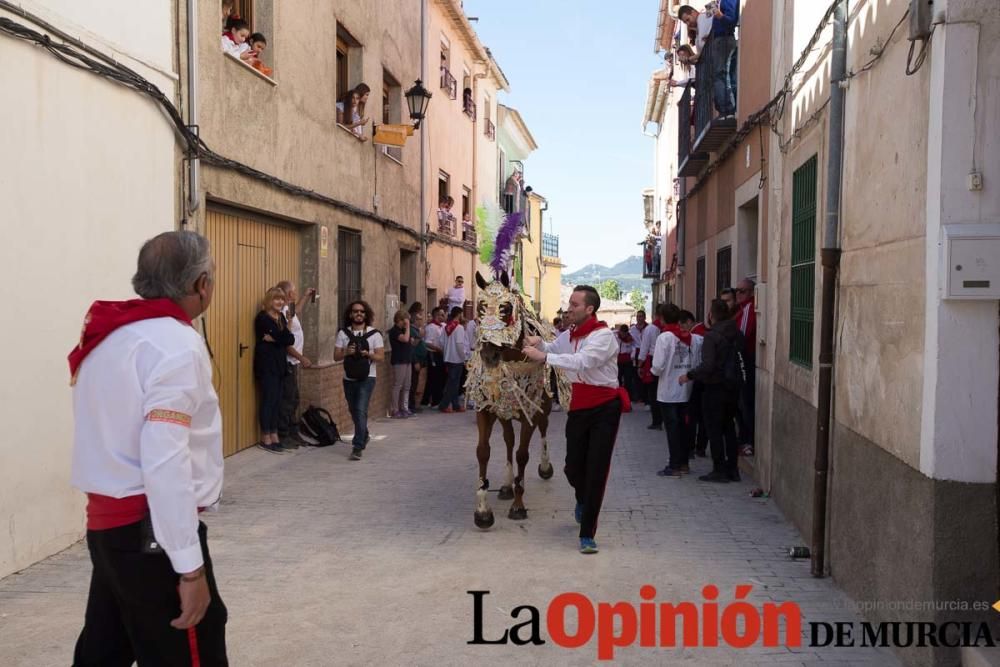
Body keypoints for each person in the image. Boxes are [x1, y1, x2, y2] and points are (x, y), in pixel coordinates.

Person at [70, 231, 227, 664]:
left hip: (109, 529)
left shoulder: (111, 338)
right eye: (211, 276)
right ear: (200, 284)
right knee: (191, 650)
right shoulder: (175, 345)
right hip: (149, 531)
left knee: (105, 649)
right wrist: (189, 567)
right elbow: (166, 460)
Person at [522, 286, 628, 554]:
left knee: (596, 470)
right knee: (572, 467)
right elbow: (553, 346)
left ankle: (587, 534)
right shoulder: (570, 333)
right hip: (579, 405)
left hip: (604, 407)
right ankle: (582, 499)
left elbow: (582, 362)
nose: (569, 308)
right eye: (569, 303)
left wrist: (544, 357)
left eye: (574, 304)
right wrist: (539, 344)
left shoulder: (603, 336)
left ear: (589, 309)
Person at [680, 299, 742, 482]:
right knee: (729, 428)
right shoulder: (737, 333)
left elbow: (708, 365)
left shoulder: (712, 336)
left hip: (715, 387)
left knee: (714, 429)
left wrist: (689, 375)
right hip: (733, 386)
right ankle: (733, 468)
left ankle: (719, 469)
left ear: (711, 314)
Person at [651, 304, 703, 477]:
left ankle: (674, 465)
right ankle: (684, 463)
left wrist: (653, 373)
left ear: (662, 319)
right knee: (684, 428)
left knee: (672, 429)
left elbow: (658, 366)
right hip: (686, 389)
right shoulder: (694, 338)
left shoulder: (665, 338)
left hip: (668, 390)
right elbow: (697, 362)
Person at [334, 300, 384, 460]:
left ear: (366, 314)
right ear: (350, 314)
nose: (359, 314)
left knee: (360, 409)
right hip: (348, 378)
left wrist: (367, 354)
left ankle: (357, 446)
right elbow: (336, 356)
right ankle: (365, 434)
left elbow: (381, 357)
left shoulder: (375, 334)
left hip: (367, 377)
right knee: (353, 410)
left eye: (362, 311)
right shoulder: (343, 333)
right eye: (355, 311)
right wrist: (346, 353)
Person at [254, 287, 295, 454]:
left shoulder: (281, 318)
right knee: (269, 400)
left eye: (282, 299)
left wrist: (276, 338)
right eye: (276, 299)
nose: (280, 302)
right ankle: (266, 436)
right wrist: (280, 337)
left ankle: (275, 434)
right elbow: (283, 338)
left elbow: (289, 339)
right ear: (269, 300)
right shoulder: (263, 318)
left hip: (279, 364)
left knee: (278, 400)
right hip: (267, 364)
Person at [275, 280, 314, 449]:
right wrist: (301, 357)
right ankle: (283, 435)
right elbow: (286, 342)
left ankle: (292, 432)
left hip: (294, 361)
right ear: (289, 293)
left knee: (294, 398)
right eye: (295, 291)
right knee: (288, 400)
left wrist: (306, 296)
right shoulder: (282, 313)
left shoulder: (288, 310)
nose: (296, 293)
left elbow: (296, 310)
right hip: (289, 361)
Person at [735, 278, 757, 455]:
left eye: (741, 291)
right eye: (737, 291)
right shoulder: (741, 310)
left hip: (746, 361)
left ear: (751, 292)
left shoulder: (749, 308)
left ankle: (747, 441)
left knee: (746, 402)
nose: (738, 294)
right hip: (744, 361)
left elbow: (741, 336)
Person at [438, 307, 468, 413]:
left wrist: (447, 350)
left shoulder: (447, 326)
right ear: (459, 314)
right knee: (453, 383)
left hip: (448, 357)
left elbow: (440, 342)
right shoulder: (459, 327)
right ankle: (444, 405)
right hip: (457, 358)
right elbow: (459, 344)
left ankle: (455, 405)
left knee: (454, 383)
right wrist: (463, 357)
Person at [388, 309, 413, 418]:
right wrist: (407, 327)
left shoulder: (403, 330)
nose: (406, 324)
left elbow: (409, 340)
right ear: (399, 320)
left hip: (407, 360)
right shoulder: (394, 331)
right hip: (399, 361)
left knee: (407, 385)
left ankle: (404, 407)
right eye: (405, 321)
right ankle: (395, 409)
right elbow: (405, 339)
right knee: (398, 385)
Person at [421, 306, 446, 407]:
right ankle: (434, 400)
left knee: (439, 377)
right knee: (434, 377)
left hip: (441, 354)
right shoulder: (431, 327)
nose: (444, 316)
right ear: (436, 315)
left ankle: (431, 399)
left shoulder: (443, 326)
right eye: (442, 314)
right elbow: (427, 342)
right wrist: (438, 349)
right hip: (433, 354)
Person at [407, 302, 427, 413]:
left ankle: (414, 404)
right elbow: (412, 346)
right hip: (415, 360)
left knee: (416, 383)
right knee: (412, 383)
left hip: (420, 360)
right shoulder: (411, 330)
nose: (422, 320)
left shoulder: (417, 330)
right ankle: (411, 405)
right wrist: (415, 361)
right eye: (420, 318)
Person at [616, 324, 637, 398]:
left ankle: (628, 396)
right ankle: (618, 395)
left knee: (628, 380)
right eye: (622, 333)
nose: (623, 335)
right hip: (618, 360)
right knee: (618, 378)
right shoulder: (616, 336)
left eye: (624, 333)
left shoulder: (630, 338)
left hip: (627, 361)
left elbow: (634, 347)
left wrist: (632, 356)